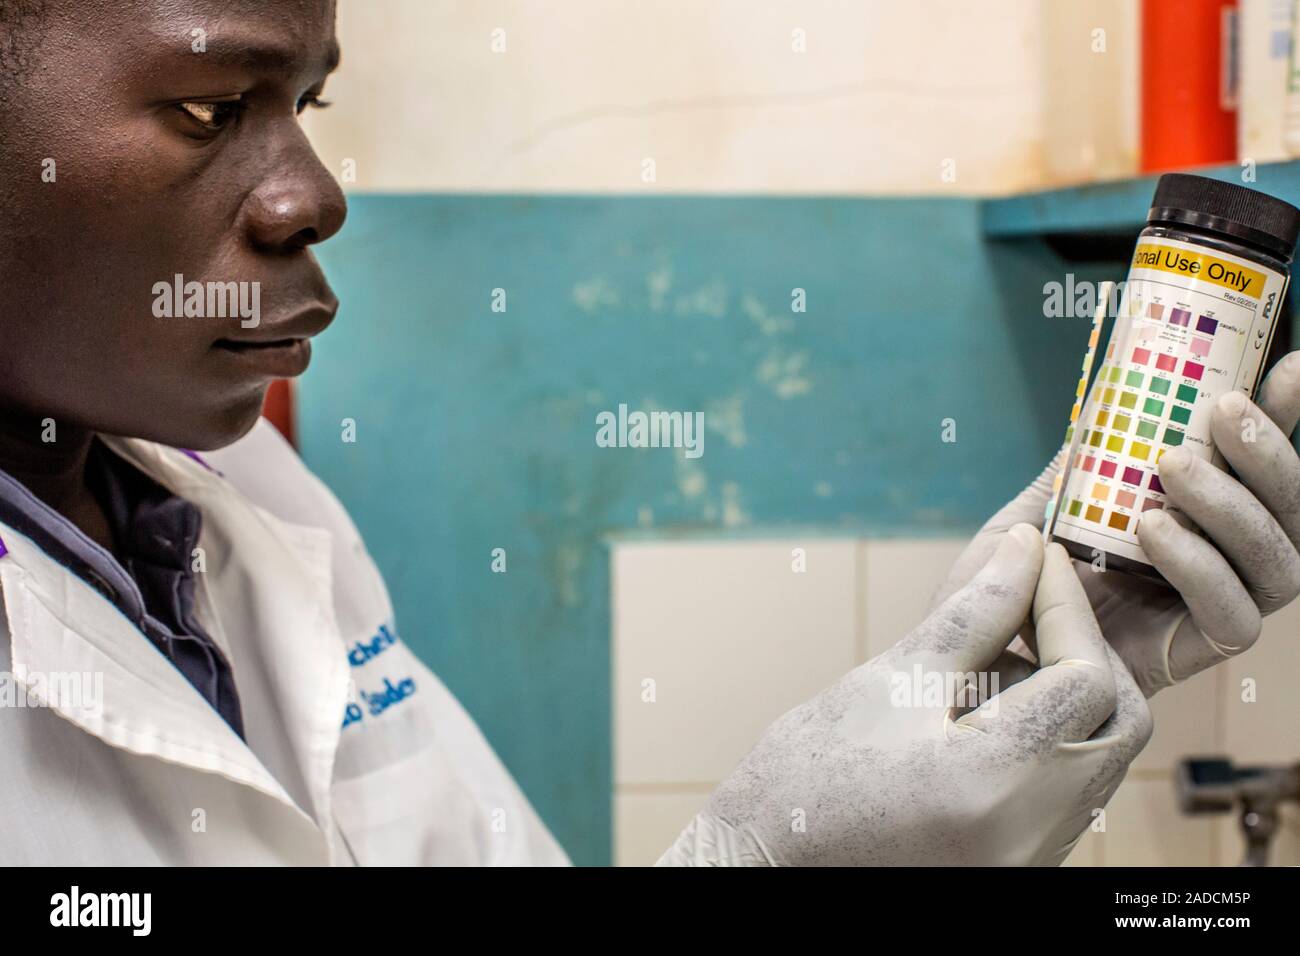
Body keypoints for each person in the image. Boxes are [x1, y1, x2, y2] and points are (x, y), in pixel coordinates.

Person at [0, 0, 1297, 867]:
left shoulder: (244, 514)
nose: (315, 196)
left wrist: (1016, 677)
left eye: (309, 108)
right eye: (207, 110)